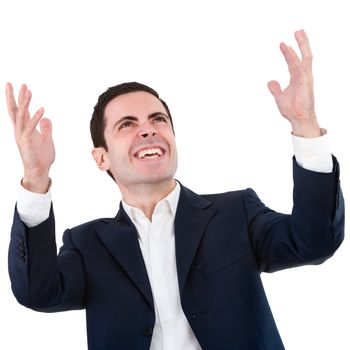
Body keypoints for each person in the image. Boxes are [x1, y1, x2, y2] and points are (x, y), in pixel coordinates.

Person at [6, 30, 344, 350]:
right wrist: (36, 177)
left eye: (158, 119)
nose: (148, 131)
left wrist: (305, 125)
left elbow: (314, 242)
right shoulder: (88, 245)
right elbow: (36, 291)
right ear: (101, 158)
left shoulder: (236, 214)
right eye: (128, 124)